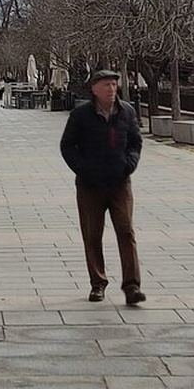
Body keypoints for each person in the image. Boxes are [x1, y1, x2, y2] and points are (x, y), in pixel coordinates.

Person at [59, 70, 146, 305]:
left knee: (126, 232)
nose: (111, 88)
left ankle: (132, 286)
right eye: (106, 84)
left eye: (114, 84)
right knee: (92, 234)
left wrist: (129, 164)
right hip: (90, 186)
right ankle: (98, 284)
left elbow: (136, 142)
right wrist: (83, 169)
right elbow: (67, 146)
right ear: (95, 89)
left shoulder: (126, 111)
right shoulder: (80, 115)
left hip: (120, 183)